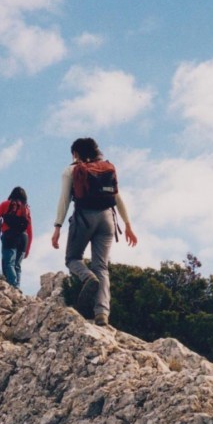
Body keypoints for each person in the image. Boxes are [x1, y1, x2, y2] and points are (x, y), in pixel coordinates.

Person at [51, 137, 138, 326]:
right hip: (108, 219)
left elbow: (64, 200)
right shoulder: (106, 169)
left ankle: (87, 277)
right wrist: (128, 225)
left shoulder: (71, 170)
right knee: (102, 267)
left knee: (72, 259)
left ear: (75, 153)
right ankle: (102, 314)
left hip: (84, 218)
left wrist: (57, 227)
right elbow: (117, 198)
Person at [0, 187, 33, 289]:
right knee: (17, 266)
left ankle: (13, 285)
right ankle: (17, 287)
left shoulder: (5, 204)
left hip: (10, 237)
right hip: (23, 239)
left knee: (9, 263)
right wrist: (28, 249)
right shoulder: (26, 209)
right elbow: (30, 231)